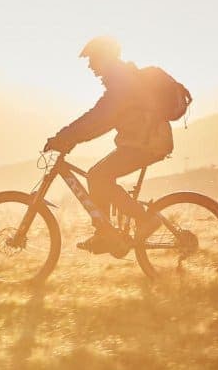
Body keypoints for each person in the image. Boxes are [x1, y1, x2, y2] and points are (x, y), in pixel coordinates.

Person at [44, 36, 176, 255]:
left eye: (92, 59)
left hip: (147, 143)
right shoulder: (123, 80)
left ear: (105, 57)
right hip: (143, 141)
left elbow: (99, 119)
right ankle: (106, 233)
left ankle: (142, 221)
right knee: (98, 175)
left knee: (97, 176)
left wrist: (65, 138)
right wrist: (69, 138)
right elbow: (99, 120)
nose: (89, 65)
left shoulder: (122, 84)